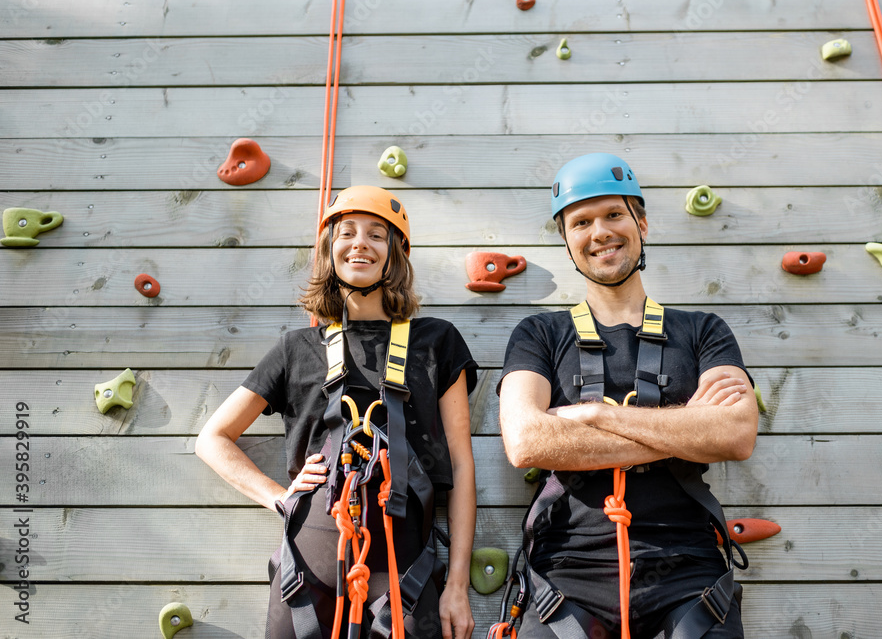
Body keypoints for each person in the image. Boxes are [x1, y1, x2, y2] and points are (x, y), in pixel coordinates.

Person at [196, 186, 478, 639]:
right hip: (309, 571)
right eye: (346, 232)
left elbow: (462, 467)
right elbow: (212, 438)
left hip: (405, 575)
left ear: (396, 256)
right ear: (330, 250)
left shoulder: (437, 342)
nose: (360, 243)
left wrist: (458, 584)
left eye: (377, 235)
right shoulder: (296, 349)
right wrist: (279, 496)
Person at [497, 154, 758, 639]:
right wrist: (688, 428)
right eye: (581, 222)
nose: (600, 232)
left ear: (640, 222)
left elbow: (737, 434)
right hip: (565, 574)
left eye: (614, 215)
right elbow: (526, 441)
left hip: (686, 572)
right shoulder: (539, 334)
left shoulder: (703, 332)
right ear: (566, 240)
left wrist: (593, 415)